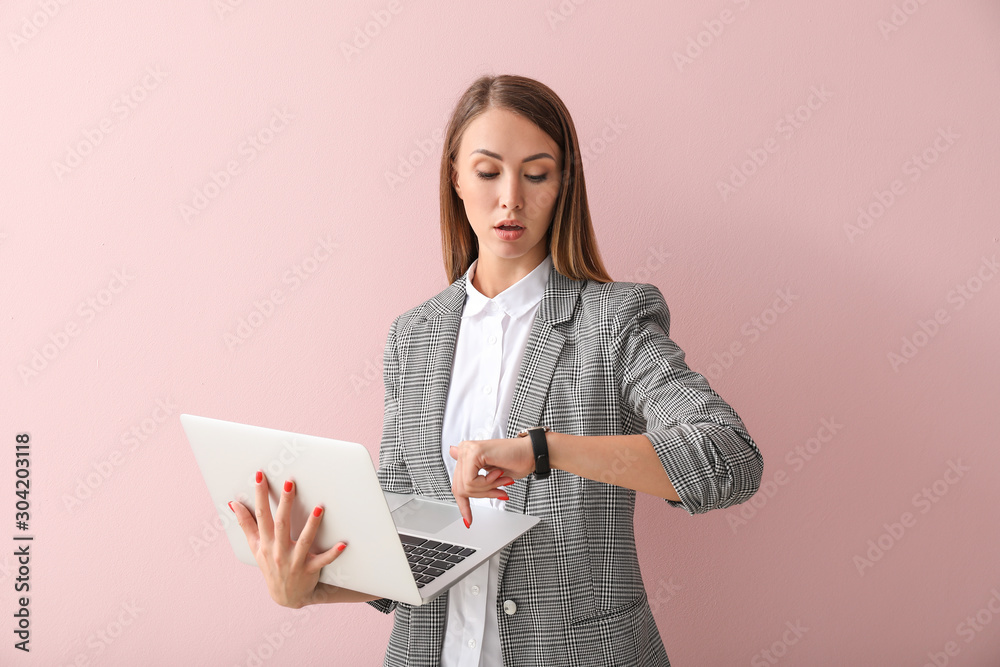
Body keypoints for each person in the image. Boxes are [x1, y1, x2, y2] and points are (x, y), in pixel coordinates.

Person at [230, 74, 764, 667]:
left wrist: (544, 451)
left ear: (564, 184)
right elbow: (402, 553)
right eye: (488, 173)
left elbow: (729, 461)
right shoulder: (414, 337)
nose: (511, 197)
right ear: (456, 177)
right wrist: (308, 590)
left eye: (537, 174)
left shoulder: (613, 322)